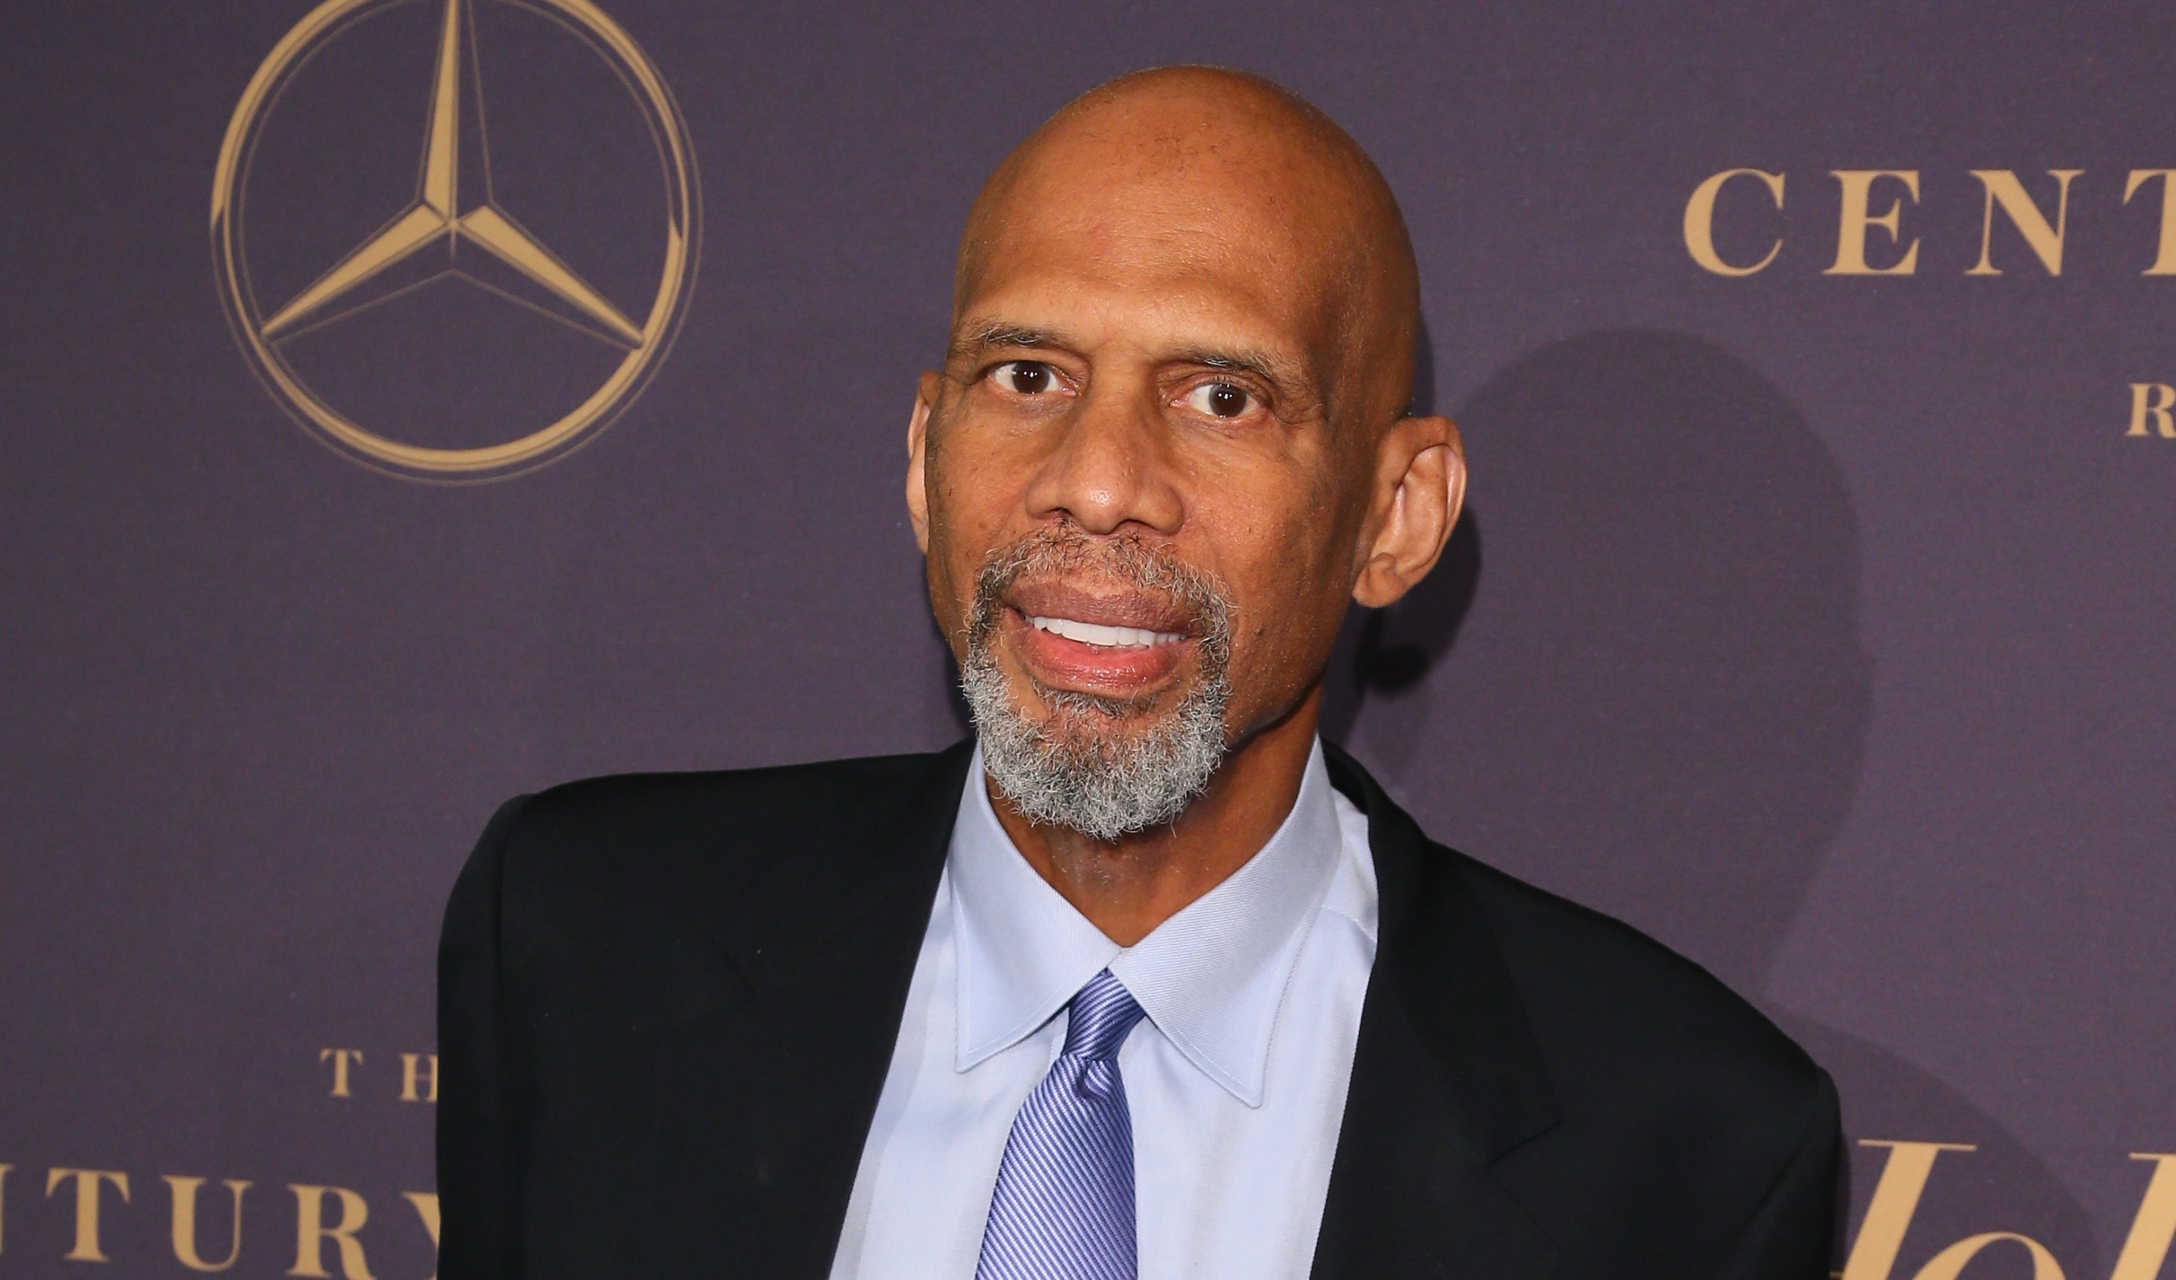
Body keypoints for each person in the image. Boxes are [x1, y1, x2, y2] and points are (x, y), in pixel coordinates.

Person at [436, 66, 1840, 1280]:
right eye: (1028, 375)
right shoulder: (582, 940)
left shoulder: (1681, 1146)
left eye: (1223, 397)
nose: (1097, 483)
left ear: (1394, 514)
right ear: (924, 460)